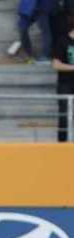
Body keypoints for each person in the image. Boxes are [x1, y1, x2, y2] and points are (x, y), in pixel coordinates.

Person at [52, 13, 74, 142]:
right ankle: (62, 144)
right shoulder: (63, 40)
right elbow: (55, 64)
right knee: (64, 116)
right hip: (65, 84)